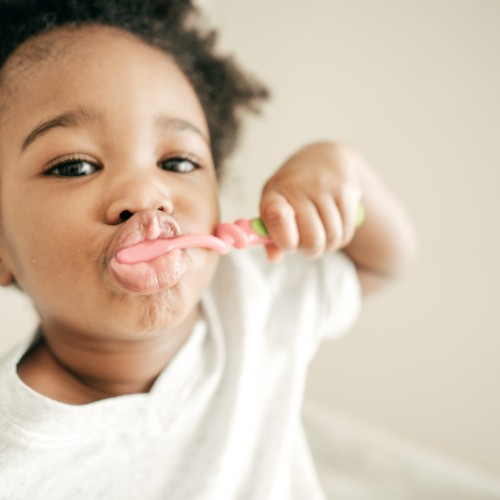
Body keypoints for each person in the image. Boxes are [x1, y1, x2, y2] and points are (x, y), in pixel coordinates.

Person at [0, 1, 418, 498]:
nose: (146, 195)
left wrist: (343, 170)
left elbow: (385, 262)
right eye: (74, 166)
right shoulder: (16, 460)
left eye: (177, 162)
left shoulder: (250, 298)